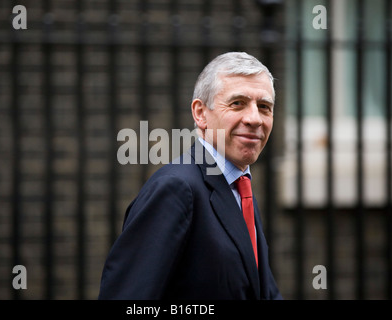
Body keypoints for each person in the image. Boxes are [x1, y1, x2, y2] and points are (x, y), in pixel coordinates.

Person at [98, 52, 282, 300]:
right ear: (200, 114)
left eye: (264, 107)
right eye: (237, 103)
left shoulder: (239, 187)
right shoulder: (176, 189)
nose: (254, 119)